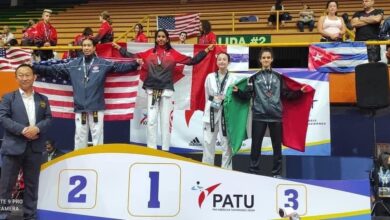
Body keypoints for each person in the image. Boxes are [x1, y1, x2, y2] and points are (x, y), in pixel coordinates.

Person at [112, 29, 214, 151]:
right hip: (152, 90)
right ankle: (151, 149)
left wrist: (206, 50)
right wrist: (119, 48)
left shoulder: (173, 53)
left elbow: (192, 61)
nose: (160, 39)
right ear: (155, 39)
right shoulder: (149, 53)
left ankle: (165, 149)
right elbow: (133, 56)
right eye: (158, 36)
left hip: (166, 91)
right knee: (151, 121)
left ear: (167, 39)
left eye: (163, 37)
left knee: (165, 122)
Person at [33, 38, 142, 150]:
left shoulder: (102, 63)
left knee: (97, 138)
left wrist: (134, 64)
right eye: (84, 45)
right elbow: (53, 70)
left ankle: (98, 162)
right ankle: (80, 164)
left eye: (89, 45)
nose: (86, 48)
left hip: (96, 108)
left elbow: (119, 67)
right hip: (81, 107)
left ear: (94, 47)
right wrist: (34, 67)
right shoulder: (74, 64)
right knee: (80, 138)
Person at [232, 48, 308, 177]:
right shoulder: (253, 78)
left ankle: (276, 173)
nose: (266, 59)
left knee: (277, 147)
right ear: (260, 60)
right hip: (259, 115)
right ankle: (253, 171)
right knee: (256, 146)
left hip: (275, 116)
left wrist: (300, 92)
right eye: (264, 58)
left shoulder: (279, 77)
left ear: (272, 59)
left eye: (268, 57)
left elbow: (285, 94)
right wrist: (238, 92)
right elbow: (248, 95)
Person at [0, 64, 52, 220]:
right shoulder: (8, 97)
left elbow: (48, 119)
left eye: (27, 75)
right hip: (13, 148)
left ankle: (30, 216)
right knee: (6, 186)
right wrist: (24, 130)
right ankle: (3, 215)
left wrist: (36, 128)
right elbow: (3, 118)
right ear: (16, 78)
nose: (24, 78)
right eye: (21, 75)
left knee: (32, 186)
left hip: (35, 149)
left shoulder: (43, 99)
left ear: (34, 77)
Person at [202, 52, 237, 169]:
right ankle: (207, 169)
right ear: (216, 62)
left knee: (226, 144)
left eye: (224, 59)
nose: (222, 61)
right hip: (212, 110)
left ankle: (226, 171)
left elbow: (234, 96)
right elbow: (207, 95)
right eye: (220, 59)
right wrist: (215, 100)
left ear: (228, 62)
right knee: (208, 142)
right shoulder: (210, 77)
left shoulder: (233, 78)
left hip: (226, 112)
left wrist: (224, 99)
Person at [370, 152, 390, 216]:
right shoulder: (374, 171)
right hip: (379, 200)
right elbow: (371, 184)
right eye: (389, 158)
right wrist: (372, 196)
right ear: (384, 159)